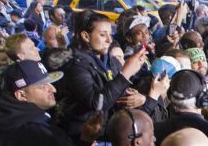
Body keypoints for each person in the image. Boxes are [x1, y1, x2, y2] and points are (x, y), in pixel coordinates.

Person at [61, 11, 156, 139]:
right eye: (102, 35)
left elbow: (116, 92)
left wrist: (135, 97)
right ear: (86, 36)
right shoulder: (76, 66)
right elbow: (98, 103)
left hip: (110, 131)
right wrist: (125, 74)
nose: (109, 40)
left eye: (110, 34)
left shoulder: (111, 60)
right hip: (87, 138)